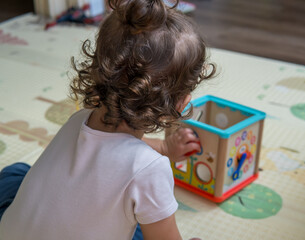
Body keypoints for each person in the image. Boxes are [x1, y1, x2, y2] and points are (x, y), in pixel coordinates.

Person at [0, 0, 215, 239]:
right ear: (180, 103)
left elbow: (114, 151)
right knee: (140, 228)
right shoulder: (151, 171)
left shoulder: (80, 118)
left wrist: (165, 147)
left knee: (17, 172)